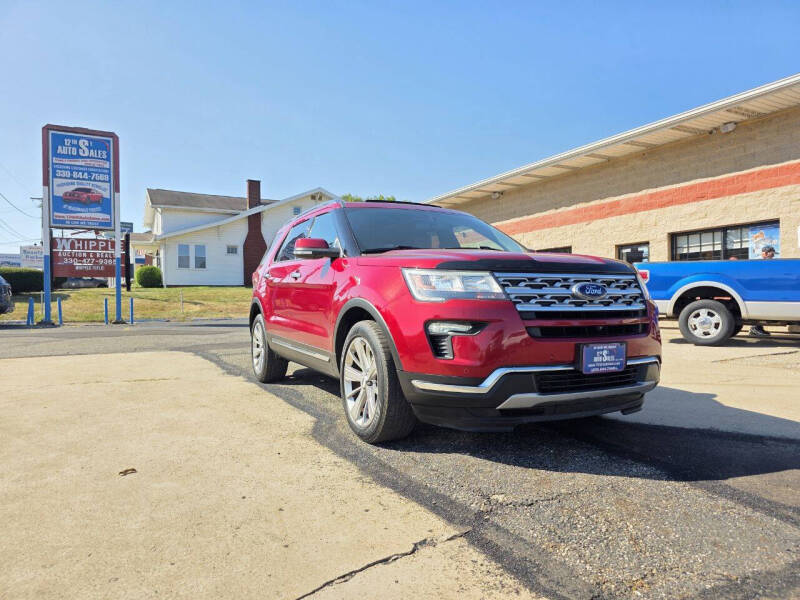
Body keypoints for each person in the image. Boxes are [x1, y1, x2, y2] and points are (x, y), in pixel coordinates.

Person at [750, 245, 776, 337]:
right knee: (759, 309)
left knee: (763, 309)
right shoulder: (758, 262)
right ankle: (755, 328)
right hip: (758, 289)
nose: (772, 257)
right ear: (764, 253)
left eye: (773, 255)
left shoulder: (768, 263)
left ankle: (758, 328)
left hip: (764, 289)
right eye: (771, 254)